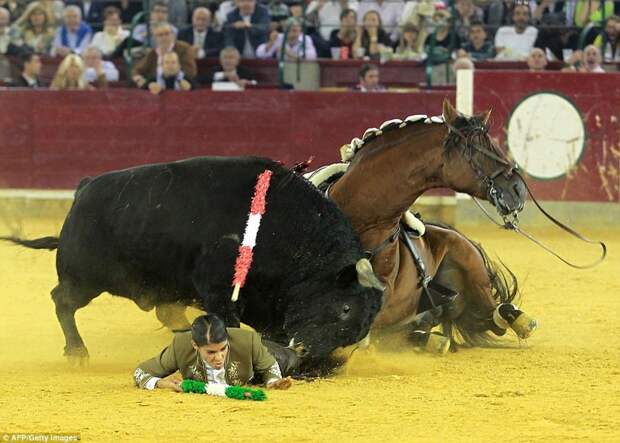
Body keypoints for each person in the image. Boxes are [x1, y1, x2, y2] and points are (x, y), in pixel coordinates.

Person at [133, 314, 295, 390]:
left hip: (265, 358)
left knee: (293, 360)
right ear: (195, 345)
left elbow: (269, 366)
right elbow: (141, 372)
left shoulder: (248, 340)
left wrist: (272, 381)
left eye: (223, 349)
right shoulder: (180, 346)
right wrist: (160, 383)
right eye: (210, 352)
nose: (219, 357)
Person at [132, 23, 197, 88]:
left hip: (179, 87)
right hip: (157, 88)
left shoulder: (184, 48)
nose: (164, 37)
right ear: (155, 38)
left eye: (167, 34)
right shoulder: (153, 53)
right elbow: (137, 69)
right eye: (160, 35)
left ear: (173, 35)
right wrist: (138, 79)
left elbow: (191, 71)